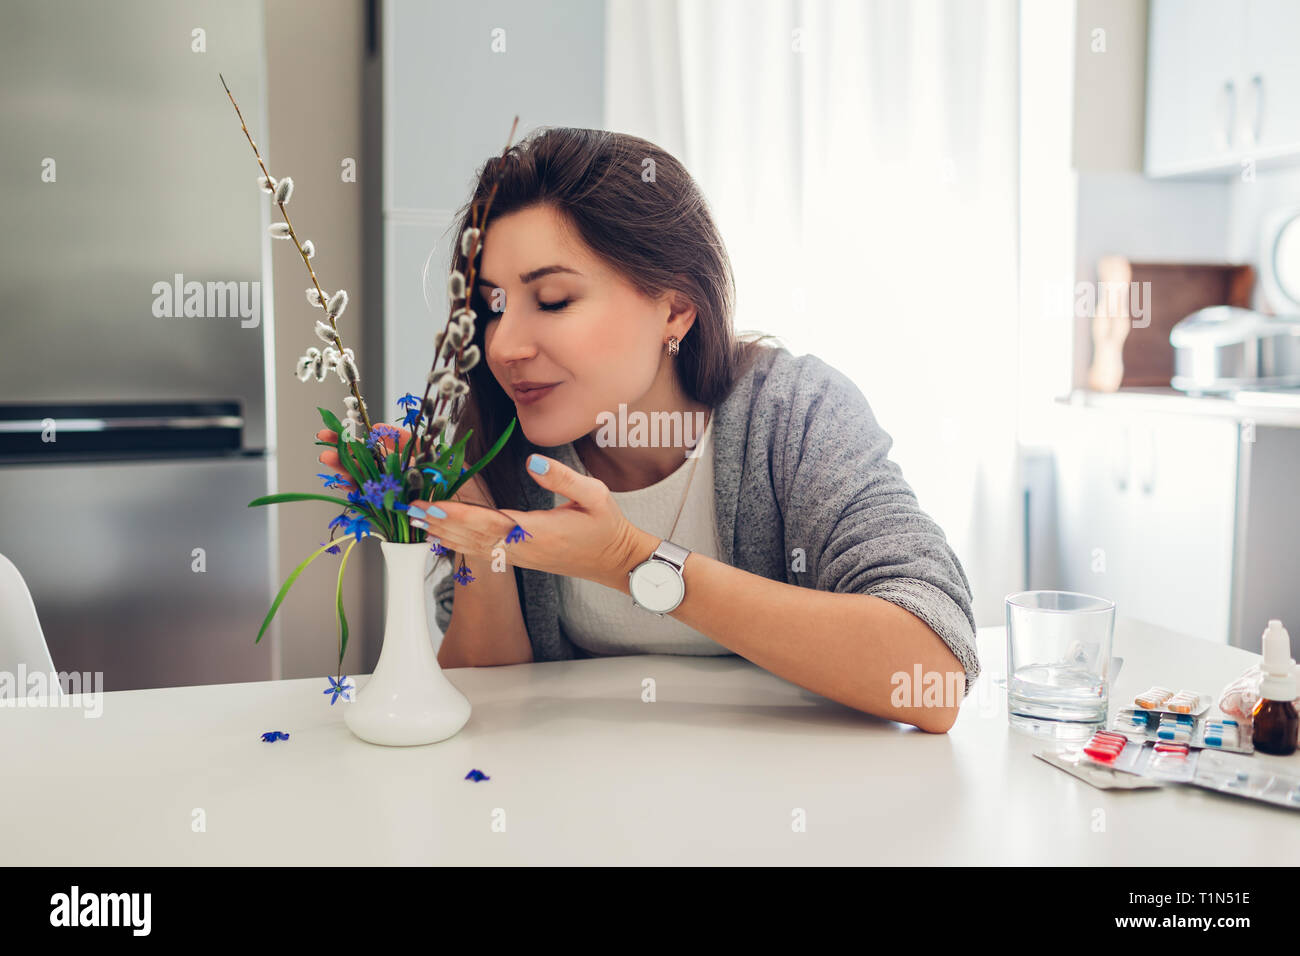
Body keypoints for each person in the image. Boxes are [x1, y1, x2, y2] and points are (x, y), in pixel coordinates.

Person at [320, 128, 979, 733]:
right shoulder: (495, 439)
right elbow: (493, 709)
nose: (504, 347)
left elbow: (934, 676)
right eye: (493, 308)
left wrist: (629, 561)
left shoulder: (794, 414)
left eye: (552, 300)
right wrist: (472, 527)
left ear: (677, 308)